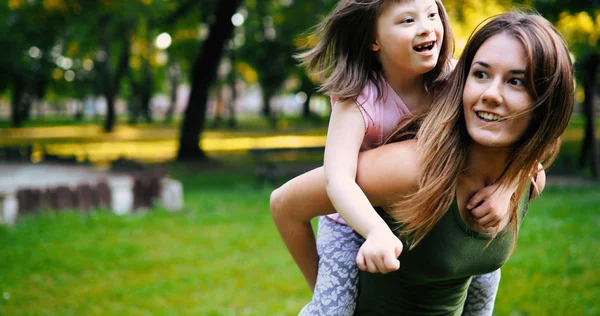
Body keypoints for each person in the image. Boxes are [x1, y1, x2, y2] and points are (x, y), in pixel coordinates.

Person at [271, 11, 574, 315]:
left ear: (547, 101)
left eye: (516, 81)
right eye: (480, 74)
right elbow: (289, 202)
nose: (490, 94)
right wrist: (330, 291)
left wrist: (509, 184)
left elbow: (538, 150)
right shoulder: (408, 163)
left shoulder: (528, 176)